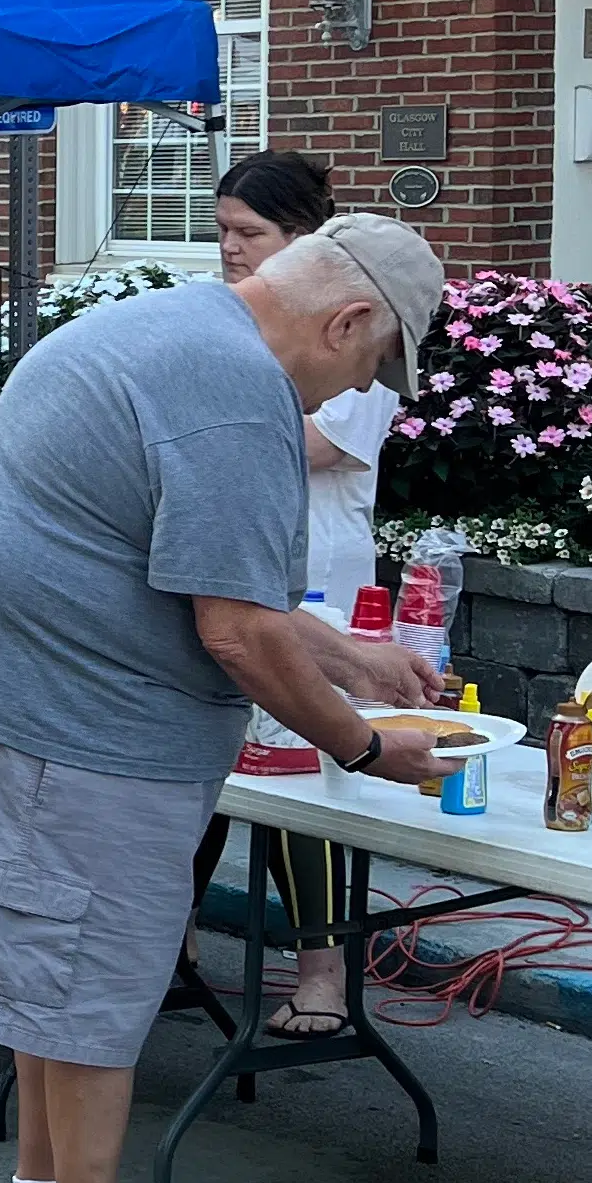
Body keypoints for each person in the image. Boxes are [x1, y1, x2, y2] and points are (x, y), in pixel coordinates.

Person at [0, 215, 448, 1183]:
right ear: (344, 320)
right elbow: (231, 629)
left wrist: (343, 654)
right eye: (371, 363)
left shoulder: (177, 323)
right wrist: (364, 744)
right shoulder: (236, 395)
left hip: (0, 682)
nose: (356, 391)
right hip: (71, 716)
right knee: (90, 985)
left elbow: (186, 568)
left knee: (56, 972)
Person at [213, 151, 401, 1039]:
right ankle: (163, 947)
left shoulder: (349, 338)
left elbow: (314, 445)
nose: (230, 251)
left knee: (306, 785)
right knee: (211, 770)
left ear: (300, 245)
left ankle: (321, 971)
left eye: (248, 234)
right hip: (237, 575)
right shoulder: (238, 335)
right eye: (220, 232)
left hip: (321, 587)